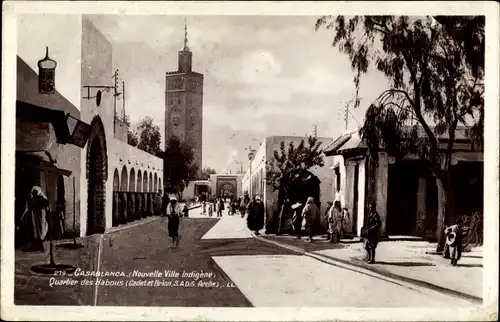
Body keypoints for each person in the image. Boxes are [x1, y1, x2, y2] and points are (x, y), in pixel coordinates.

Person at [19, 186, 50, 251]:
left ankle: (41, 244)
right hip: (35, 217)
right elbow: (29, 207)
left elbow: (46, 205)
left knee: (41, 229)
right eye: (34, 193)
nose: (34, 194)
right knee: (36, 230)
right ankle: (37, 245)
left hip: (41, 217)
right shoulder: (34, 199)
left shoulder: (42, 198)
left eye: (35, 192)